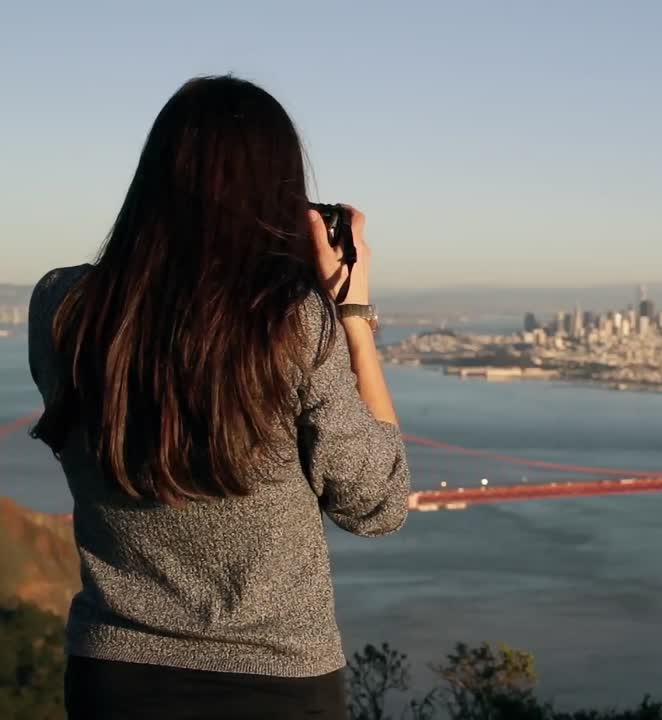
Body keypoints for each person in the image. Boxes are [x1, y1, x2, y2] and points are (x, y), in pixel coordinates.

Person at [27, 75, 411, 719]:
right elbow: (377, 502)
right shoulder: (293, 320)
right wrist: (350, 314)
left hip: (111, 677)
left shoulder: (60, 306)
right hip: (277, 684)